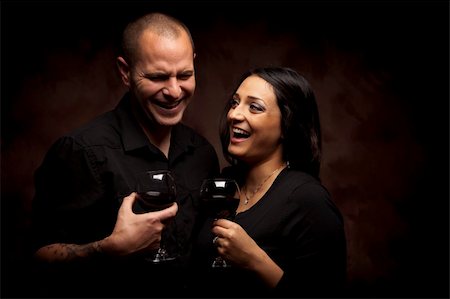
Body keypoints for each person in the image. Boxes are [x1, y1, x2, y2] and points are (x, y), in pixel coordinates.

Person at [30, 12, 219, 297]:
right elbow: (37, 258)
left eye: (185, 75)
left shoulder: (203, 153)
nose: (174, 90)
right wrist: (108, 249)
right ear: (124, 73)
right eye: (157, 77)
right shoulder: (81, 151)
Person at [188, 67, 347, 297]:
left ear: (287, 125)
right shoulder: (223, 185)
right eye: (235, 103)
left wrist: (255, 259)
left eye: (254, 107)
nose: (234, 115)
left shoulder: (308, 200)